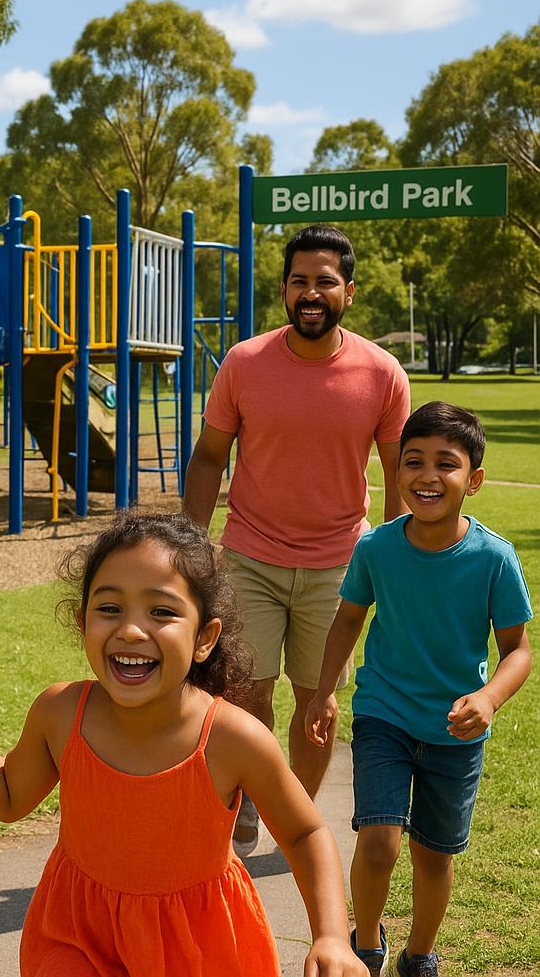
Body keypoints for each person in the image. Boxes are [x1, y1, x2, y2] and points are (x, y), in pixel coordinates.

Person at [0, 512, 367, 977]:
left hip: (200, 946)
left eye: (162, 612)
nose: (132, 630)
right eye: (110, 609)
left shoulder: (233, 739)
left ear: (204, 638)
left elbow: (304, 832)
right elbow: (9, 795)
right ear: (83, 622)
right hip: (77, 937)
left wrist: (332, 936)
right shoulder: (60, 714)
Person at [183, 224, 411, 854]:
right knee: (245, 690)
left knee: (319, 705)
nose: (311, 294)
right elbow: (209, 458)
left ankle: (295, 818)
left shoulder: (382, 373)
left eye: (325, 282)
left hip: (341, 564)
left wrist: (394, 561)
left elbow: (395, 471)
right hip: (250, 554)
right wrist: (189, 546)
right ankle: (250, 805)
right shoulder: (246, 362)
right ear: (284, 290)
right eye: (300, 282)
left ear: (349, 291)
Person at [305, 402, 532, 977]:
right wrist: (324, 690)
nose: (427, 476)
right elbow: (348, 620)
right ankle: (365, 945)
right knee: (378, 840)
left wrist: (488, 699)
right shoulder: (376, 548)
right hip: (383, 713)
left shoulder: (494, 558)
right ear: (395, 471)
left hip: (455, 729)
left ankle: (419, 954)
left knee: (433, 856)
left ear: (473, 480)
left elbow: (518, 651)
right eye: (413, 462)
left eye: (446, 464)